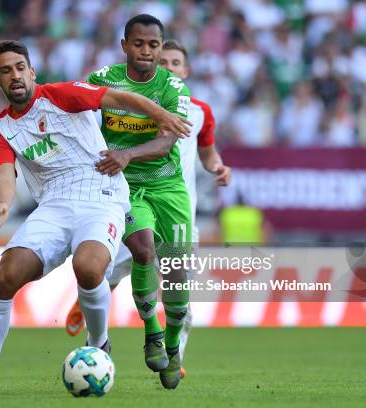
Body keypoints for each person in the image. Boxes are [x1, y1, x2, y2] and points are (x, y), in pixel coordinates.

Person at [0, 39, 191, 395]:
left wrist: (161, 116)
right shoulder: (3, 128)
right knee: (4, 277)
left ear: (31, 72)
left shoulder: (60, 95)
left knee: (88, 266)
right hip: (52, 206)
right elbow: (4, 173)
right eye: (6, 71)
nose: (15, 76)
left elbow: (120, 98)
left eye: (20, 68)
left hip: (102, 193)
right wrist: (2, 203)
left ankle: (98, 344)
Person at [65, 38, 231, 380]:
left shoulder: (197, 110)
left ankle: (174, 356)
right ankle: (95, 330)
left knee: (176, 281)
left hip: (176, 201)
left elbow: (207, 152)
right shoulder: (123, 92)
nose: (167, 66)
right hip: (133, 192)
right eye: (163, 60)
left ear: (185, 70)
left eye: (174, 62)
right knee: (126, 260)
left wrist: (217, 167)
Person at [84, 14, 194, 389]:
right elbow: (75, 111)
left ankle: (174, 344)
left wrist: (128, 154)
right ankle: (152, 333)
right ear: (125, 46)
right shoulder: (103, 80)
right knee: (144, 249)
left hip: (168, 187)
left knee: (177, 270)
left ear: (161, 48)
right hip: (123, 187)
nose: (146, 51)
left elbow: (166, 142)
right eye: (139, 43)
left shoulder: (173, 88)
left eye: (154, 45)